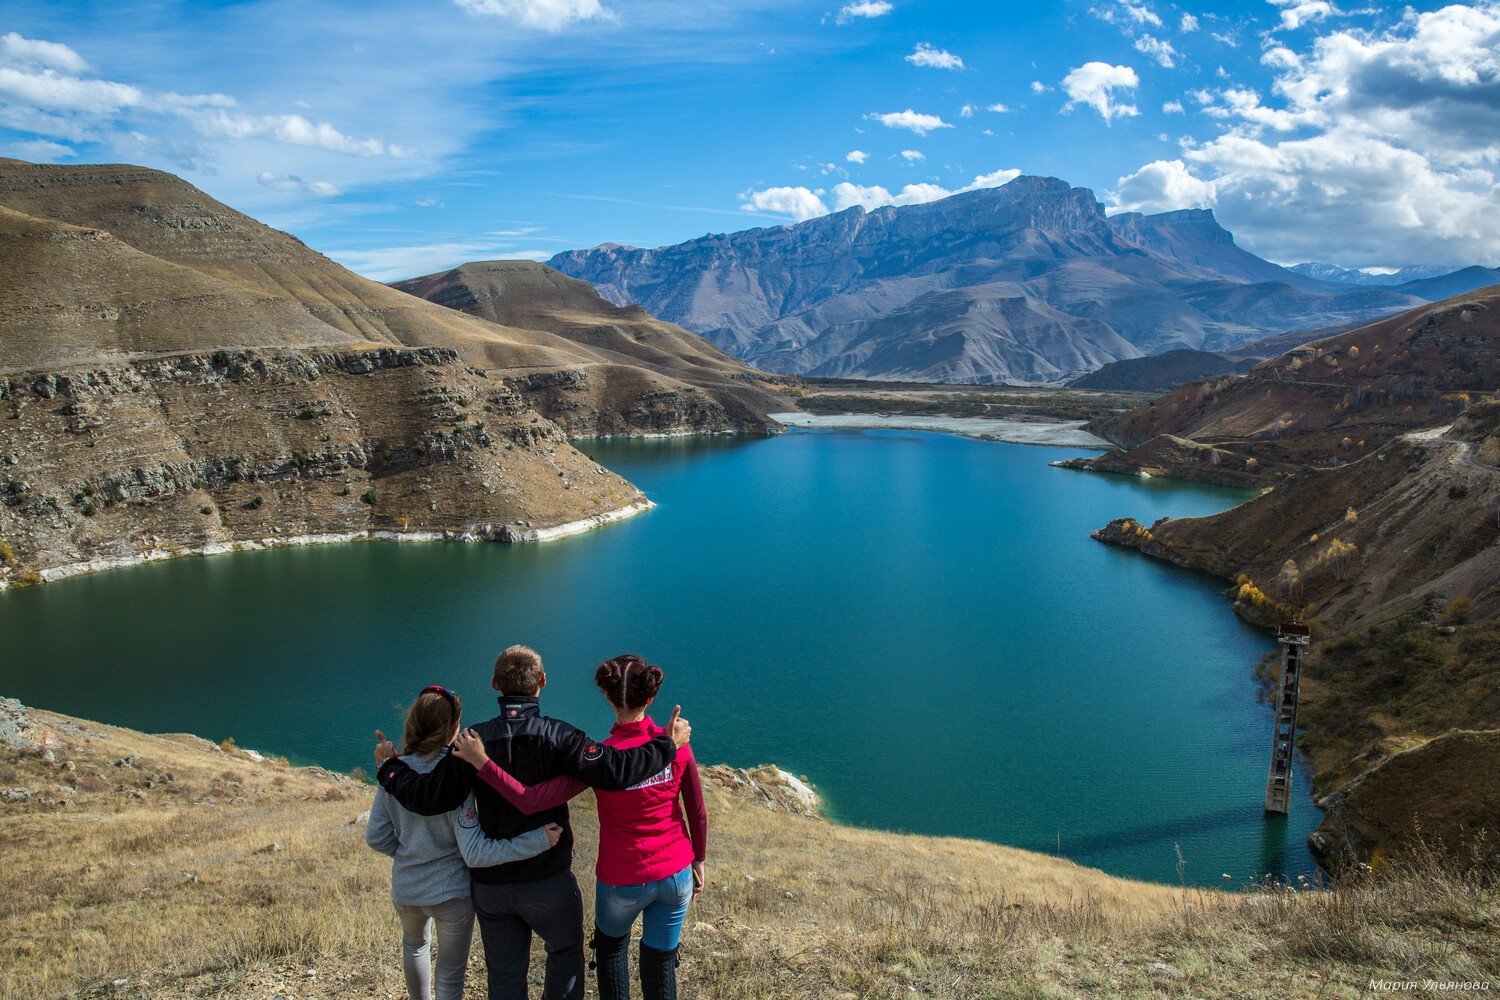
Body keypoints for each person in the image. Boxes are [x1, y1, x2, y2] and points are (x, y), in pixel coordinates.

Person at [373, 646, 691, 1000]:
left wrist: (388, 768)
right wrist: (667, 747)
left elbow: (428, 797)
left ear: (495, 684)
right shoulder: (562, 736)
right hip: (548, 880)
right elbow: (615, 770)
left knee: (505, 978)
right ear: (541, 682)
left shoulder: (471, 742)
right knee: (565, 961)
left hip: (493, 889)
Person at [364, 684, 565, 1000]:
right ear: (454, 727)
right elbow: (474, 852)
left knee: (414, 946)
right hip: (451, 894)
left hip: (407, 889)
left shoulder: (393, 772)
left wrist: (409, 853)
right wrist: (538, 840)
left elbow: (376, 836)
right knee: (450, 975)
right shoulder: (456, 776)